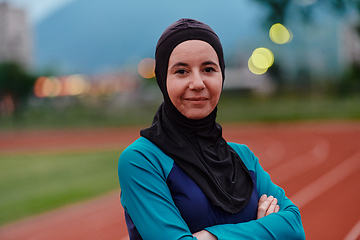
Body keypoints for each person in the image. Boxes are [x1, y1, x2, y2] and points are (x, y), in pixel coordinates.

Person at [118, 18, 305, 240]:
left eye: (208, 69)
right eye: (181, 71)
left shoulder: (244, 158)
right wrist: (264, 230)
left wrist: (211, 237)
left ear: (221, 75)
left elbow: (294, 228)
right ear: (162, 79)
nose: (197, 83)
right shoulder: (142, 160)